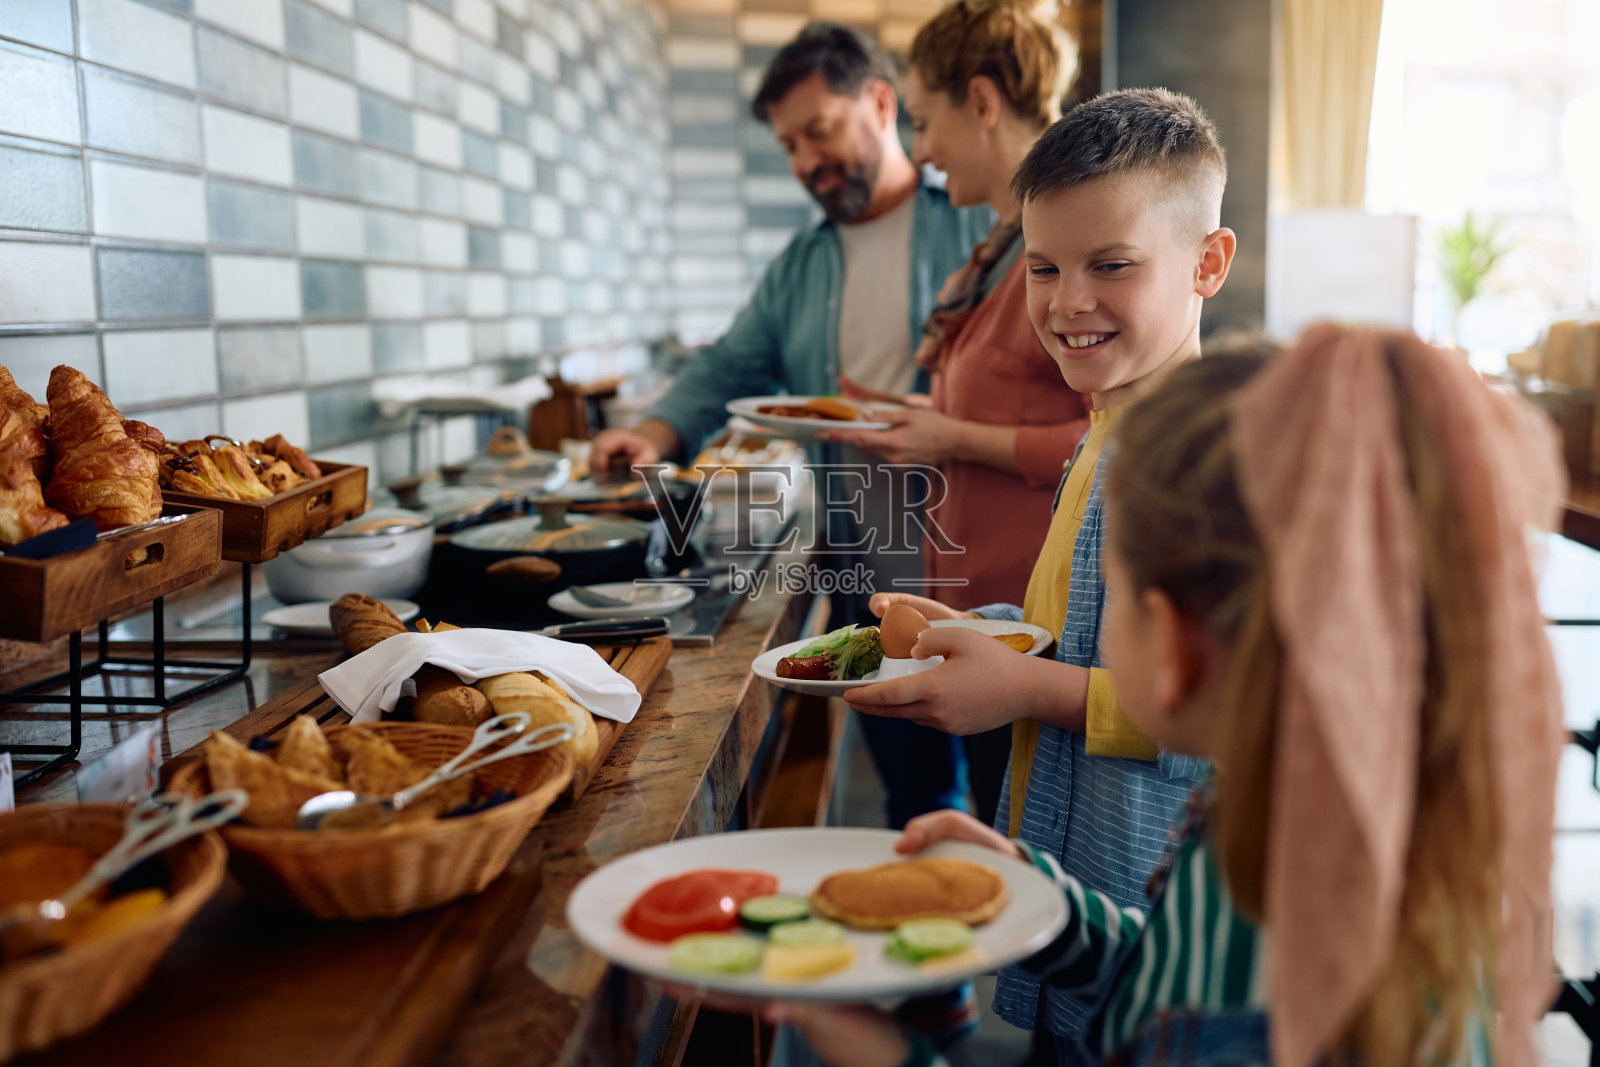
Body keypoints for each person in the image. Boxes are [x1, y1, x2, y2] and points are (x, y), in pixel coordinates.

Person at [739, 327, 1568, 1067]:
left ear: (1168, 642)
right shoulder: (1294, 803)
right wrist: (1047, 899)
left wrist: (891, 1055)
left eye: (1110, 589)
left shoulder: (1235, 1018)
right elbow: (1177, 957)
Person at [840, 88, 1231, 1059]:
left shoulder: (1203, 467)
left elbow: (1216, 714)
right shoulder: (1106, 426)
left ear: (1207, 264)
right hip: (1074, 901)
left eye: (1112, 265)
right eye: (1044, 266)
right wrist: (983, 631)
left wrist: (1019, 684)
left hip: (1143, 914)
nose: (1066, 301)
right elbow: (1084, 617)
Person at [589, 24, 989, 830]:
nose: (806, 160)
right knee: (917, 790)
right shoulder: (801, 265)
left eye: (820, 131)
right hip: (868, 566)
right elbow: (732, 362)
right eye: (789, 144)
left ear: (881, 104)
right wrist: (659, 433)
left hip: (983, 563)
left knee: (1015, 789)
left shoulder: (978, 224)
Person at [820, 0, 1092, 829]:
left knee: (1022, 850)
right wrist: (911, 416)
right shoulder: (999, 247)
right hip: (978, 611)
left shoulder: (1057, 257)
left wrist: (952, 436)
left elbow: (1109, 436)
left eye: (926, 121)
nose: (923, 150)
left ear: (983, 103)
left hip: (1031, 636)